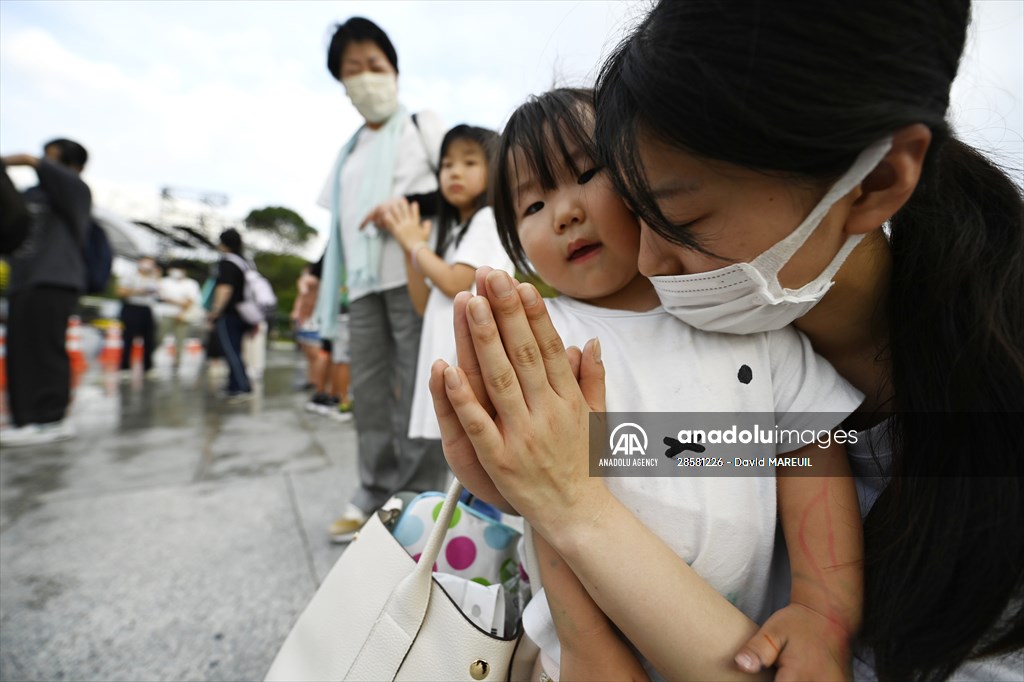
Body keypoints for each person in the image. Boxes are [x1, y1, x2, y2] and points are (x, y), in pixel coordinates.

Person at [433, 1, 1024, 680]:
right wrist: (526, 483)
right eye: (532, 205)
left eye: (679, 218)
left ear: (878, 183)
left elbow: (795, 450)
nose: (651, 262)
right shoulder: (583, 333)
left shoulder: (777, 355)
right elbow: (608, 467)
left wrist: (824, 607)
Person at [445, 88, 867, 681]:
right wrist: (589, 646)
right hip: (593, 660)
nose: (564, 213)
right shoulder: (546, 335)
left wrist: (824, 609)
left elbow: (808, 446)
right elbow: (548, 503)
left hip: (745, 644)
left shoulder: (734, 308)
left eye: (587, 173)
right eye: (532, 206)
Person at [314, 17, 449, 542]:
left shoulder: (423, 125)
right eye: (354, 70)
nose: (367, 77)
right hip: (363, 285)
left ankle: (415, 499)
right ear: (341, 83)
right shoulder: (347, 154)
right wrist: (314, 277)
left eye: (376, 65)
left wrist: (404, 208)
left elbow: (462, 184)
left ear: (394, 70)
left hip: (415, 276)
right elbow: (340, 227)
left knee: (420, 390)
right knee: (368, 393)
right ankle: (372, 489)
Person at [381, 124, 514, 445]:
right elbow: (424, 304)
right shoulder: (457, 231)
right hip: (451, 357)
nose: (455, 172)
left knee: (477, 451)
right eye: (447, 164)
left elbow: (455, 284)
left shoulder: (487, 219)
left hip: (470, 360)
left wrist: (416, 246)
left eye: (470, 162)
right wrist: (409, 248)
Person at [1, 139, 91, 446]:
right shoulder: (32, 196)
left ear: (72, 165)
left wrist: (22, 159)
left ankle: (52, 418)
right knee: (21, 353)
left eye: (51, 158)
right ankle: (26, 419)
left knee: (45, 349)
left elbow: (34, 163)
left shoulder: (76, 191)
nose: (43, 162)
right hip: (23, 280)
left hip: (55, 280)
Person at [207, 229, 252, 402]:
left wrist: (216, 311)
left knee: (231, 351)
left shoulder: (227, 263)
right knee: (236, 350)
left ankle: (242, 387)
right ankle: (234, 385)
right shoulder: (244, 262)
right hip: (243, 313)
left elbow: (224, 288)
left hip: (230, 314)